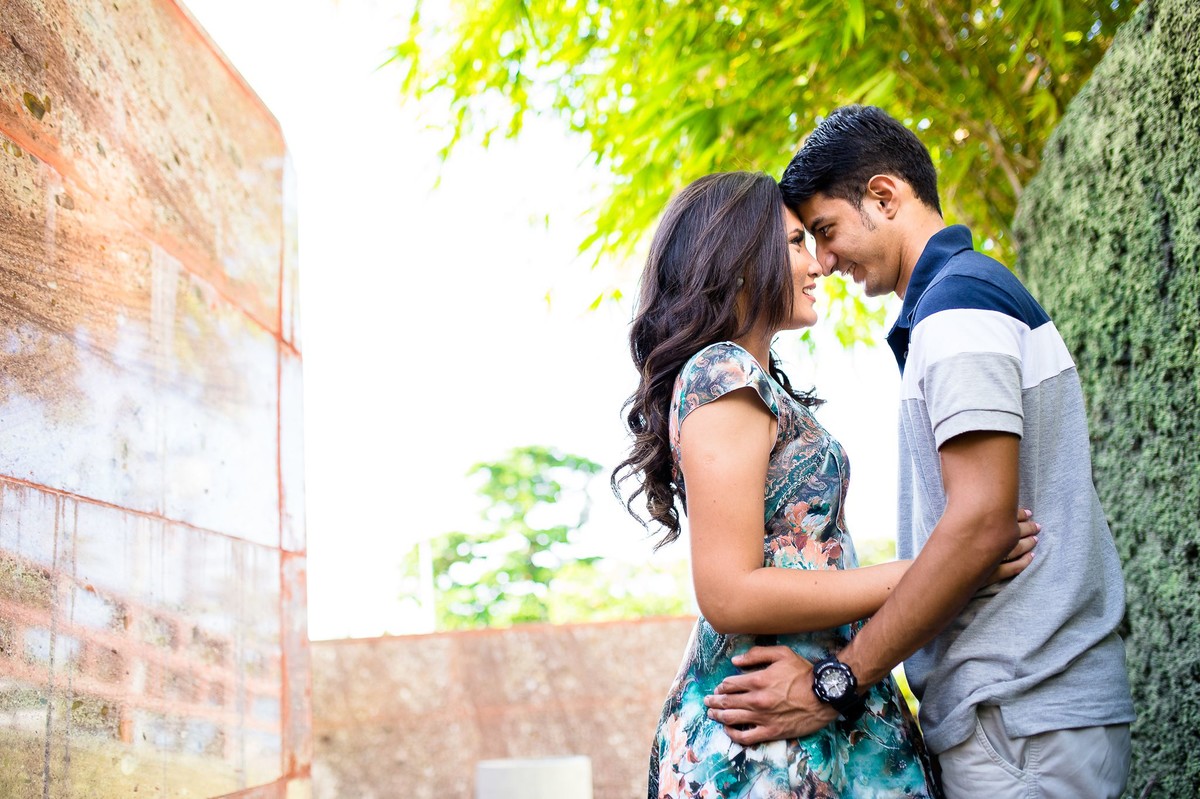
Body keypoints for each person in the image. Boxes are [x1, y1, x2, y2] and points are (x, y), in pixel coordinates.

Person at [703, 106, 1136, 798]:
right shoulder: (960, 303)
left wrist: (836, 681)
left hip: (1020, 709)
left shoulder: (958, 308)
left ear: (884, 196)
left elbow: (981, 526)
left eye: (825, 231)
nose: (824, 261)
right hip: (1018, 713)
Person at [613, 171, 1038, 798]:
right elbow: (728, 592)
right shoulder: (722, 375)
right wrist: (938, 570)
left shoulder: (751, 382)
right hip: (764, 741)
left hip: (811, 705)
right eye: (794, 243)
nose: (818, 264)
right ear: (738, 259)